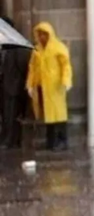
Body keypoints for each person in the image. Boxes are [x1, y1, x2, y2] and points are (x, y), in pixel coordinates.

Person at [25, 22, 72, 151]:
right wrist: (30, 84)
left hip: (56, 87)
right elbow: (33, 68)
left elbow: (65, 66)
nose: (41, 37)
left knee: (59, 115)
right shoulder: (37, 50)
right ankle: (51, 141)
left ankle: (62, 141)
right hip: (43, 88)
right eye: (39, 35)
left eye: (44, 35)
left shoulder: (59, 48)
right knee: (48, 116)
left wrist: (66, 81)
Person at [0, 17, 31, 149]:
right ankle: (7, 138)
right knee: (5, 115)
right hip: (3, 86)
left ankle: (10, 141)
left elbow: (23, 67)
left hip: (12, 87)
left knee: (11, 115)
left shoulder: (18, 47)